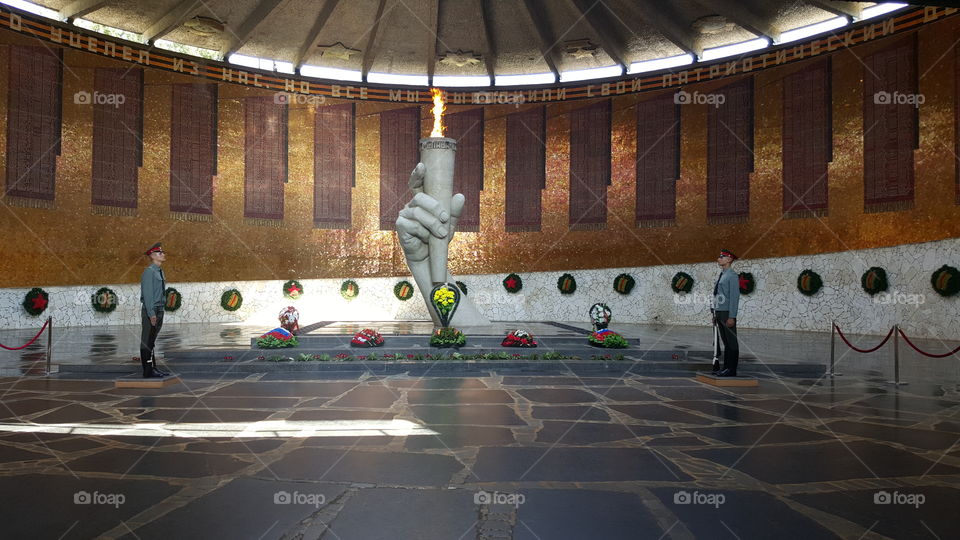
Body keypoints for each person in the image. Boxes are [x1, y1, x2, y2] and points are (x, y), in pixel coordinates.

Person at [140, 243, 170, 378]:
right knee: (147, 340)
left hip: (159, 309)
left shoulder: (159, 271)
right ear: (152, 256)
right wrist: (151, 313)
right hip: (151, 310)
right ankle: (147, 370)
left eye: (162, 252)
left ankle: (153, 368)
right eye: (159, 253)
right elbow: (147, 295)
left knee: (152, 340)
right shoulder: (149, 272)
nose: (163, 254)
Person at [711, 248, 741, 377]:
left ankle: (732, 369)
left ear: (729, 259)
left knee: (731, 342)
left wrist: (732, 316)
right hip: (720, 312)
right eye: (719, 256)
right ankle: (726, 367)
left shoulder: (732, 275)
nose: (719, 259)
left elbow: (734, 297)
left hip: (727, 312)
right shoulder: (723, 274)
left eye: (722, 257)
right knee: (725, 342)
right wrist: (715, 313)